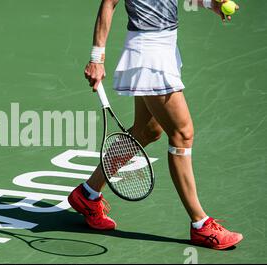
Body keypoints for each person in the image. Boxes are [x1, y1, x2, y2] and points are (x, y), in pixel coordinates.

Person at [68, 0, 243, 250]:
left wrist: (209, 3)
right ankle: (201, 225)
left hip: (166, 48)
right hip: (149, 55)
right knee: (182, 134)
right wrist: (97, 58)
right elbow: (109, 2)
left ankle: (87, 194)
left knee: (147, 130)